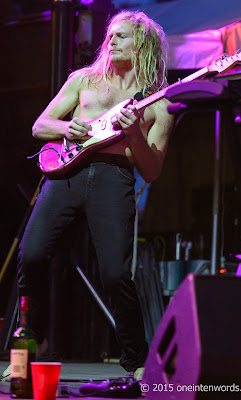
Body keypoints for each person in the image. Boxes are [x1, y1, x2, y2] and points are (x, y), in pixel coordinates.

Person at [2, 10, 174, 382]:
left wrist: (134, 137)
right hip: (67, 173)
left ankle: (137, 360)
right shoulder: (84, 80)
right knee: (31, 255)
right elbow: (40, 125)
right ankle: (32, 348)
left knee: (114, 274)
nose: (111, 41)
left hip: (113, 178)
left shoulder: (158, 104)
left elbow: (153, 170)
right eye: (110, 35)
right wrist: (68, 126)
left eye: (122, 36)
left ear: (142, 44)